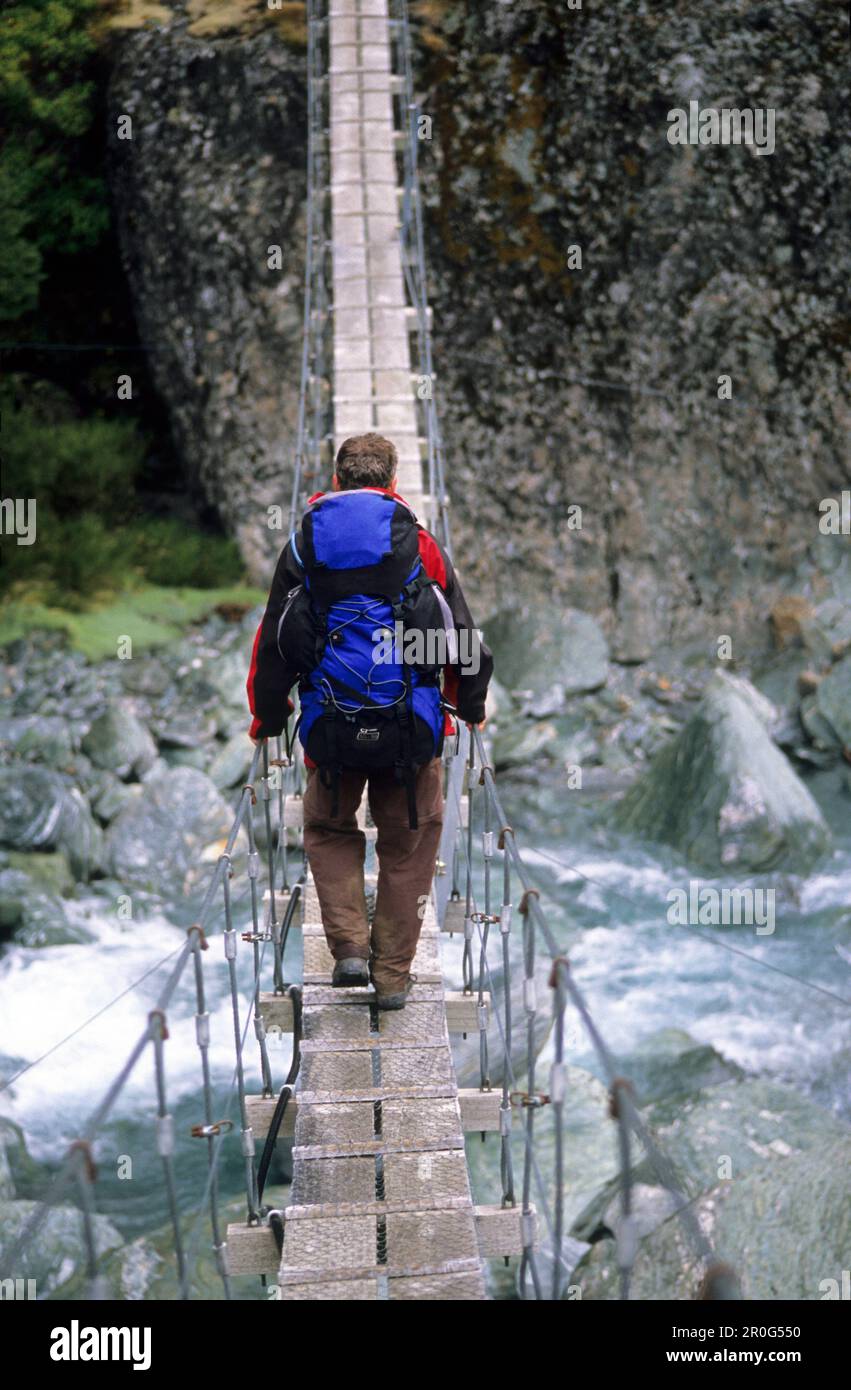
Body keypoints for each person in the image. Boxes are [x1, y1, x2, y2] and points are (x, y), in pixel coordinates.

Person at [246, 433, 492, 1009]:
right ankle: (391, 979)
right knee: (408, 845)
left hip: (330, 729)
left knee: (330, 832)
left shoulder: (304, 543)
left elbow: (273, 643)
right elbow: (462, 639)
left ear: (337, 480)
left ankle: (349, 948)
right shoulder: (421, 545)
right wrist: (468, 708)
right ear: (393, 481)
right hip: (410, 730)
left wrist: (267, 717)